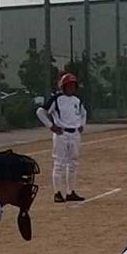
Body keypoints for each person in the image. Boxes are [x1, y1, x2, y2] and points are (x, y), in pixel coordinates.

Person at [37, 72, 87, 202]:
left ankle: (70, 192)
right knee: (59, 163)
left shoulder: (77, 100)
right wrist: (51, 126)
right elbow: (41, 112)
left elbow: (83, 113)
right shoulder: (56, 99)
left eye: (73, 85)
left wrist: (82, 124)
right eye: (68, 85)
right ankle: (57, 193)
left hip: (75, 134)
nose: (71, 88)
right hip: (61, 134)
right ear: (63, 86)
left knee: (73, 163)